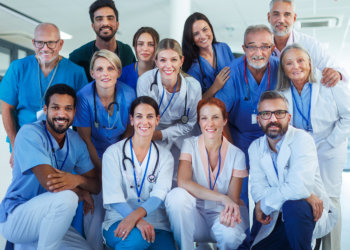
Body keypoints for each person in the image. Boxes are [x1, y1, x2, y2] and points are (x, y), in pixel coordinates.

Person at [0, 84, 100, 250]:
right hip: (18, 216)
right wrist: (81, 191)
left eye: (68, 108)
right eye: (55, 108)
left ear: (74, 112)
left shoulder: (75, 140)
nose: (61, 114)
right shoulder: (29, 133)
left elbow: (96, 186)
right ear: (45, 109)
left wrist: (76, 179)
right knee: (68, 198)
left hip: (51, 219)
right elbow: (50, 183)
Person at [277, 44, 350, 250]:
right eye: (289, 63)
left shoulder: (329, 83)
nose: (296, 66)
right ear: (283, 68)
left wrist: (331, 142)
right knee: (305, 198)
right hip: (300, 153)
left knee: (331, 203)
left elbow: (348, 115)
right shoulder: (280, 92)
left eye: (300, 60)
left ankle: (330, 247)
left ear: (310, 63)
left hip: (328, 149)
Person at [249, 90, 337, 250]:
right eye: (266, 114)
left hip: (305, 215)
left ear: (289, 118)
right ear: (259, 119)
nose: (273, 119)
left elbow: (297, 188)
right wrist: (305, 195)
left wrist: (271, 201)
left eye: (279, 113)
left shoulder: (302, 139)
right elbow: (258, 192)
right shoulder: (255, 148)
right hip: (276, 217)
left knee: (294, 206)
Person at [165, 98, 249, 250]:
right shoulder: (189, 144)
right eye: (204, 118)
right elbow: (183, 182)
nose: (210, 124)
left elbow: (232, 200)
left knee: (230, 236)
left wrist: (225, 202)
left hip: (222, 213)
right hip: (195, 215)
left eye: (215, 117)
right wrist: (221, 197)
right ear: (199, 122)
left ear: (224, 120)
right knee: (176, 195)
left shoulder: (237, 155)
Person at [0, 23, 88, 167]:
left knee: (58, 185)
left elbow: (81, 113)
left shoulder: (75, 72)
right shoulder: (18, 68)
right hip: (24, 141)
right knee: (27, 186)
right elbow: (7, 109)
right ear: (34, 43)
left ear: (60, 44)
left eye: (51, 43)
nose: (45, 48)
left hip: (61, 142)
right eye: (40, 43)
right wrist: (16, 146)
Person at [74, 49, 136, 250]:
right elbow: (84, 137)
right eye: (99, 68)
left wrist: (115, 162)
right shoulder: (83, 97)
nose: (105, 73)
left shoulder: (128, 93)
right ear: (92, 72)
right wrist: (102, 169)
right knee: (95, 206)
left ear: (118, 71)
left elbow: (129, 130)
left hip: (120, 153)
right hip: (90, 155)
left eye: (110, 68)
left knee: (122, 202)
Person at [215, 25, 279, 207]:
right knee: (238, 192)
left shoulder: (279, 69)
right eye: (252, 46)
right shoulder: (232, 72)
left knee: (269, 191)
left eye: (265, 46)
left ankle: (265, 235)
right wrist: (232, 150)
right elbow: (220, 113)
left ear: (272, 49)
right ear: (244, 49)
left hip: (271, 138)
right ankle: (242, 234)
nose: (258, 53)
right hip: (239, 137)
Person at [102, 96, 176, 250]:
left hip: (156, 223)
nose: (144, 122)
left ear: (157, 120)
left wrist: (136, 217)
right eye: (139, 116)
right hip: (119, 219)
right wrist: (136, 221)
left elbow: (158, 196)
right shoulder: (113, 153)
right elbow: (114, 198)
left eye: (150, 117)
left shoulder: (165, 156)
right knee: (137, 240)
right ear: (131, 120)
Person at [137, 38, 202, 182]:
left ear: (181, 60)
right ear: (156, 60)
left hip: (183, 134)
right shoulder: (145, 82)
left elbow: (190, 122)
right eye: (163, 60)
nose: (168, 65)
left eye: (173, 60)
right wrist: (154, 134)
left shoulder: (193, 86)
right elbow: (143, 116)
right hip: (152, 132)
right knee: (154, 176)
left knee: (183, 177)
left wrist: (161, 134)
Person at [267, 0, 348, 86]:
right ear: (269, 17)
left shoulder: (311, 45)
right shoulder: (260, 47)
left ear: (294, 18)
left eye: (287, 14)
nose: (281, 20)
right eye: (276, 14)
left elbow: (339, 72)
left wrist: (336, 74)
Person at [69, 0, 136, 82]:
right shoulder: (77, 58)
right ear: (93, 26)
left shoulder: (127, 53)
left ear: (117, 24)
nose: (105, 23)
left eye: (110, 18)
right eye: (99, 19)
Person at [182, 12, 234, 98]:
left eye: (205, 29)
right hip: (213, 110)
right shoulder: (193, 69)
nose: (202, 36)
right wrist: (215, 87)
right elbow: (196, 103)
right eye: (196, 34)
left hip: (235, 104)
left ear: (211, 29)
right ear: (191, 39)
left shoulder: (223, 48)